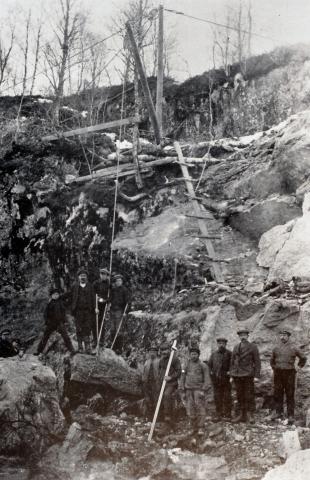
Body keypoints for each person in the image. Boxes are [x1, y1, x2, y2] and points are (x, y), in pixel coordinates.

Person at [270, 329, 307, 425]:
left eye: (284, 335)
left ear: (288, 336)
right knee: (278, 393)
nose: (282, 337)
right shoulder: (276, 348)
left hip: (289, 373)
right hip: (278, 373)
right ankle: (279, 413)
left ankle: (290, 415)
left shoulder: (294, 347)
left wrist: (298, 367)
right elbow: (272, 360)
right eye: (281, 335)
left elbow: (303, 358)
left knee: (290, 394)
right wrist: (275, 368)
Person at [230, 328, 261, 423]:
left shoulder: (253, 347)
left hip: (248, 374)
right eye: (241, 335)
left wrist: (256, 376)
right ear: (239, 337)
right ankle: (241, 415)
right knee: (239, 395)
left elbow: (257, 362)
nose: (242, 337)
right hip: (238, 375)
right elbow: (232, 362)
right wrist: (232, 375)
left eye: (244, 335)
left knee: (249, 395)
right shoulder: (236, 347)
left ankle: (250, 415)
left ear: (247, 336)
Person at [180, 346, 210, 435]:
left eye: (195, 354)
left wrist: (203, 390)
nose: (193, 356)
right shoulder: (186, 365)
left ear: (198, 355)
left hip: (198, 389)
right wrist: (182, 388)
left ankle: (201, 427)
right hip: (188, 390)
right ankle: (192, 427)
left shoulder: (203, 365)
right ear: (189, 355)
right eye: (192, 354)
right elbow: (183, 377)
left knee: (200, 407)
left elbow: (207, 378)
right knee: (190, 407)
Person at [36, 287, 75, 356]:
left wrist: (64, 321)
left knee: (65, 336)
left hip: (60, 323)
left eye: (57, 294)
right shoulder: (49, 303)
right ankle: (39, 350)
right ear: (51, 295)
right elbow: (45, 314)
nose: (56, 296)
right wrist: (47, 321)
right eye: (54, 294)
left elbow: (66, 307)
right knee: (45, 336)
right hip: (51, 323)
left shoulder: (61, 302)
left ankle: (72, 350)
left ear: (59, 295)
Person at [68, 268, 95, 354]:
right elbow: (69, 296)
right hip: (78, 311)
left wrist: (95, 308)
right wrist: (57, 298)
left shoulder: (90, 286)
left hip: (88, 311)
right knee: (79, 329)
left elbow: (93, 298)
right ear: (78, 277)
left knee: (87, 328)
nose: (83, 277)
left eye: (84, 276)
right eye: (81, 276)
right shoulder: (74, 286)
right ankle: (80, 347)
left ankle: (88, 347)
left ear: (86, 277)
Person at [156, 342, 182, 424]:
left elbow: (179, 372)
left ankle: (168, 415)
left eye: (166, 350)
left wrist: (171, 377)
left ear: (169, 350)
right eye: (162, 350)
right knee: (158, 396)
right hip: (162, 382)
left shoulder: (174, 359)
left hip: (171, 383)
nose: (164, 352)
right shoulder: (161, 360)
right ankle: (160, 416)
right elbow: (160, 371)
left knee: (167, 395)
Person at [208, 337, 232, 421]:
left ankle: (228, 415)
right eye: (219, 343)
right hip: (216, 380)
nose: (221, 345)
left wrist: (230, 372)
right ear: (217, 344)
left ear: (225, 344)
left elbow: (233, 365)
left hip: (226, 379)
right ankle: (219, 414)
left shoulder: (229, 354)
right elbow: (209, 365)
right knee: (217, 397)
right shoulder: (214, 354)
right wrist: (211, 373)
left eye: (223, 343)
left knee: (227, 397)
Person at [109, 274, 130, 352]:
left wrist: (125, 311)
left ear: (122, 281)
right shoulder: (113, 289)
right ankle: (113, 346)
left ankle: (119, 348)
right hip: (112, 310)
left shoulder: (125, 290)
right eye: (117, 281)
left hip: (119, 311)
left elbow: (128, 302)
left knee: (119, 329)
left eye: (120, 281)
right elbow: (110, 298)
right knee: (112, 329)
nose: (118, 282)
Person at [93, 267, 110, 346]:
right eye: (102, 274)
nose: (103, 276)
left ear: (107, 276)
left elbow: (110, 296)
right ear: (100, 275)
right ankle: (95, 341)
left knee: (102, 323)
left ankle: (102, 341)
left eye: (105, 275)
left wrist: (106, 301)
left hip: (104, 305)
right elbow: (92, 295)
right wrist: (96, 303)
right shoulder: (96, 283)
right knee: (95, 322)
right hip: (96, 305)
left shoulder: (109, 284)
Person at [141, 344, 159, 419]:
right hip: (147, 383)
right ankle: (148, 415)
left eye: (154, 352)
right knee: (147, 398)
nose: (152, 353)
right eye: (150, 352)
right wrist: (143, 380)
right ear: (148, 353)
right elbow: (144, 372)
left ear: (157, 353)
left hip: (155, 383)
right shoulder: (146, 362)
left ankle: (156, 416)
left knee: (156, 398)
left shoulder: (159, 361)